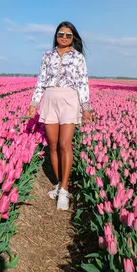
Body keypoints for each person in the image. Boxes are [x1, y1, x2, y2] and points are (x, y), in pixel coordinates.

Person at [26, 21, 93, 211]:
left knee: (65, 144)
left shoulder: (78, 57)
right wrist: (33, 103)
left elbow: (82, 82)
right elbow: (41, 80)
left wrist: (86, 107)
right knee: (53, 144)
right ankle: (58, 183)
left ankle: (64, 190)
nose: (64, 37)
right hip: (49, 98)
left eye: (68, 35)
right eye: (61, 34)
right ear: (56, 35)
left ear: (73, 38)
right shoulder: (47, 55)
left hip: (70, 99)